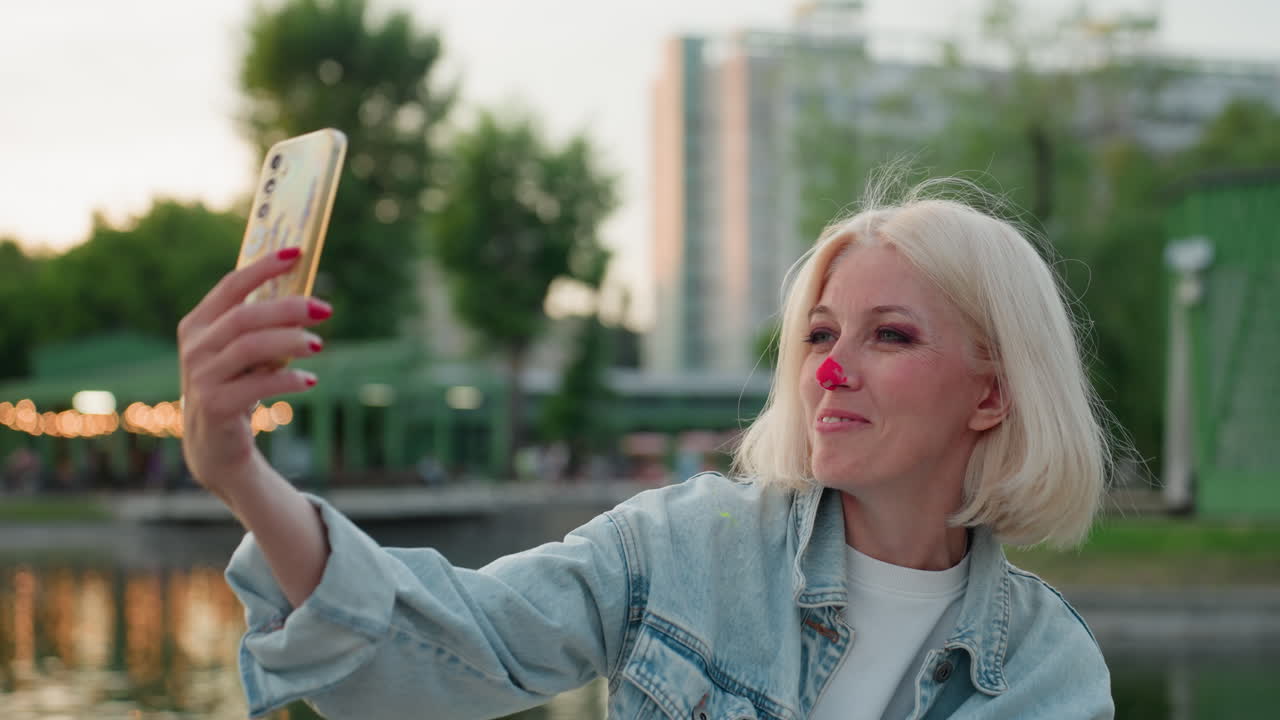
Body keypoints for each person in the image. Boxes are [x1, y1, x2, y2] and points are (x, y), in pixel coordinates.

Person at [178, 179, 1116, 719]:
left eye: (892, 336)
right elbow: (434, 648)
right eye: (821, 336)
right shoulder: (686, 542)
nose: (829, 372)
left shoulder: (1048, 672)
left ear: (991, 394)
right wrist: (240, 473)